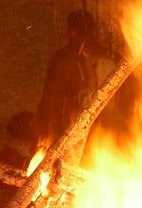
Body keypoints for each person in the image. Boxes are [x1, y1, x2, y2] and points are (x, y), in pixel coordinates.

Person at [36, 10, 99, 146]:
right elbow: (50, 96)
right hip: (66, 129)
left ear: (71, 32)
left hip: (89, 130)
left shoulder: (99, 59)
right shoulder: (62, 59)